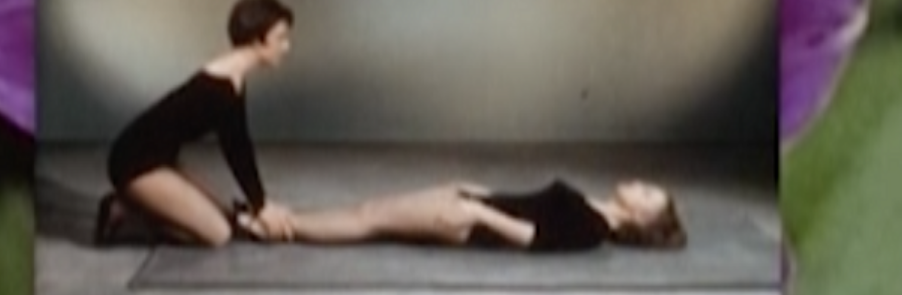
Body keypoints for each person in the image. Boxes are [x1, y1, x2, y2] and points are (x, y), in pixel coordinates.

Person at [97, 0, 299, 247]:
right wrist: (262, 207)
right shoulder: (221, 84)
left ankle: (141, 202)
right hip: (134, 164)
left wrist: (260, 204)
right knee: (218, 234)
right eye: (280, 38)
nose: (286, 47)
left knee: (228, 216)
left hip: (161, 160)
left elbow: (239, 145)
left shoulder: (233, 75)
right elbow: (235, 149)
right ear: (258, 40)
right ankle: (123, 210)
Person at [236, 178, 687, 252]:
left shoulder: (594, 227)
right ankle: (282, 219)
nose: (639, 184)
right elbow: (526, 201)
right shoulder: (596, 208)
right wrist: (475, 188)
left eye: (648, 194)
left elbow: (534, 237)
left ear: (643, 218)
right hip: (471, 203)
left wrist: (475, 210)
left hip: (468, 220)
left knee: (368, 218)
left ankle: (276, 227)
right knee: (367, 211)